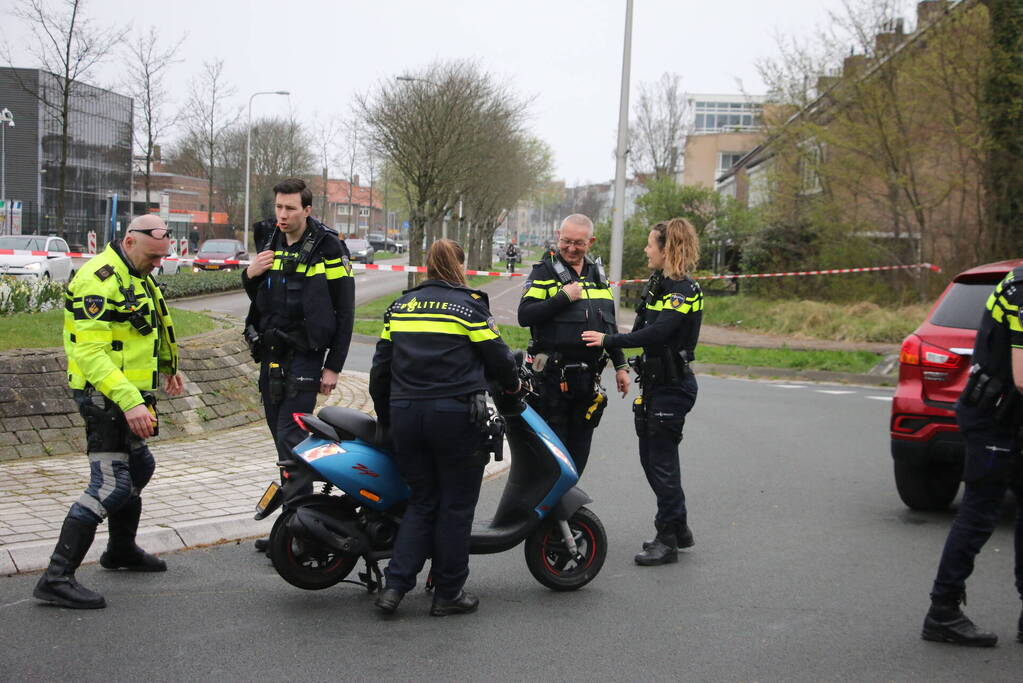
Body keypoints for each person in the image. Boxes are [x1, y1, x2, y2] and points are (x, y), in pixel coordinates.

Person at [33, 215, 184, 609]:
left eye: (161, 257)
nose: (157, 265)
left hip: (130, 393)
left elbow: (148, 325)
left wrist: (168, 365)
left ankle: (120, 551)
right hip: (105, 398)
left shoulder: (136, 272)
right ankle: (56, 577)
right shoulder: (96, 281)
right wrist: (130, 400)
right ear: (131, 241)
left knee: (139, 468)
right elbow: (90, 352)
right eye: (153, 257)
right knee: (109, 485)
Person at [369, 239, 520, 616]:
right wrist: (515, 384)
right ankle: (448, 593)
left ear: (427, 266)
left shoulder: (400, 307)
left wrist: (388, 417)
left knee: (422, 501)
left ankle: (394, 588)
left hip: (406, 415)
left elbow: (379, 371)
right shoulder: (468, 308)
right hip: (454, 417)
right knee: (455, 505)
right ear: (460, 266)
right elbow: (500, 359)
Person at [582, 218, 703, 566]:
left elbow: (658, 333)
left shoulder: (682, 290)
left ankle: (667, 539)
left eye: (651, 245)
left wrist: (609, 341)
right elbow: (642, 327)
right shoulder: (659, 284)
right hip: (655, 385)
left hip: (672, 387)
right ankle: (678, 527)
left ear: (667, 249)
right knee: (652, 462)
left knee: (661, 465)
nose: (647, 250)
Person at [242, 178, 355, 551]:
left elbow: (345, 309)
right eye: (278, 207)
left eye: (290, 208)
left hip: (306, 356)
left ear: (307, 210)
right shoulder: (268, 240)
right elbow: (259, 298)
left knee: (293, 442)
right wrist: (250, 275)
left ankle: (304, 532)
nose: (282, 215)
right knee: (282, 442)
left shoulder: (327, 246)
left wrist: (333, 366)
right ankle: (294, 524)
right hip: (271, 356)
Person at [920, 266, 1023, 647]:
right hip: (992, 419)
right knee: (980, 512)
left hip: (1011, 417)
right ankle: (943, 611)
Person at [518, 214, 630, 475]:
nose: (570, 248)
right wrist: (562, 298)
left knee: (577, 460)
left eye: (578, 243)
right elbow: (525, 316)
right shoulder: (543, 271)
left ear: (591, 241)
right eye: (566, 241)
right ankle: (546, 513)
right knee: (552, 462)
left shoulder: (598, 276)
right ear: (558, 236)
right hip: (550, 381)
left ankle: (565, 514)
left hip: (587, 381)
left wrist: (621, 365)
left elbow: (609, 327)